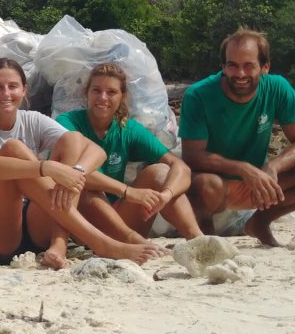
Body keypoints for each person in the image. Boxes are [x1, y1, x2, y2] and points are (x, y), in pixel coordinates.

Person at [0, 58, 166, 268]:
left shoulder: (32, 119)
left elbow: (95, 151)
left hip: (33, 224)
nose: (6, 94)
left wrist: (75, 171)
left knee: (72, 140)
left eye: (12, 86)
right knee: (14, 149)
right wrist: (45, 167)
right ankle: (102, 243)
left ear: (24, 90)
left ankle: (59, 242)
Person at [180, 28, 295, 246]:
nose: (240, 74)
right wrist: (243, 169)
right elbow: (192, 156)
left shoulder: (277, 87)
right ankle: (205, 232)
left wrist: (273, 167)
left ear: (265, 67)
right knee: (207, 184)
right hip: (214, 185)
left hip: (259, 186)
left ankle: (259, 222)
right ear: (223, 66)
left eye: (249, 66)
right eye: (233, 65)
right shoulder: (198, 95)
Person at [58, 63, 202, 242]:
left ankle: (198, 240)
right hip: (79, 221)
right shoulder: (68, 122)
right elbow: (71, 173)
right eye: (96, 90)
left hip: (118, 218)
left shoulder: (128, 129)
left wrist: (166, 195)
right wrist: (127, 191)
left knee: (160, 172)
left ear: (122, 97)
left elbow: (179, 166)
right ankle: (131, 242)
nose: (103, 98)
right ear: (86, 93)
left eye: (111, 92)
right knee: (87, 187)